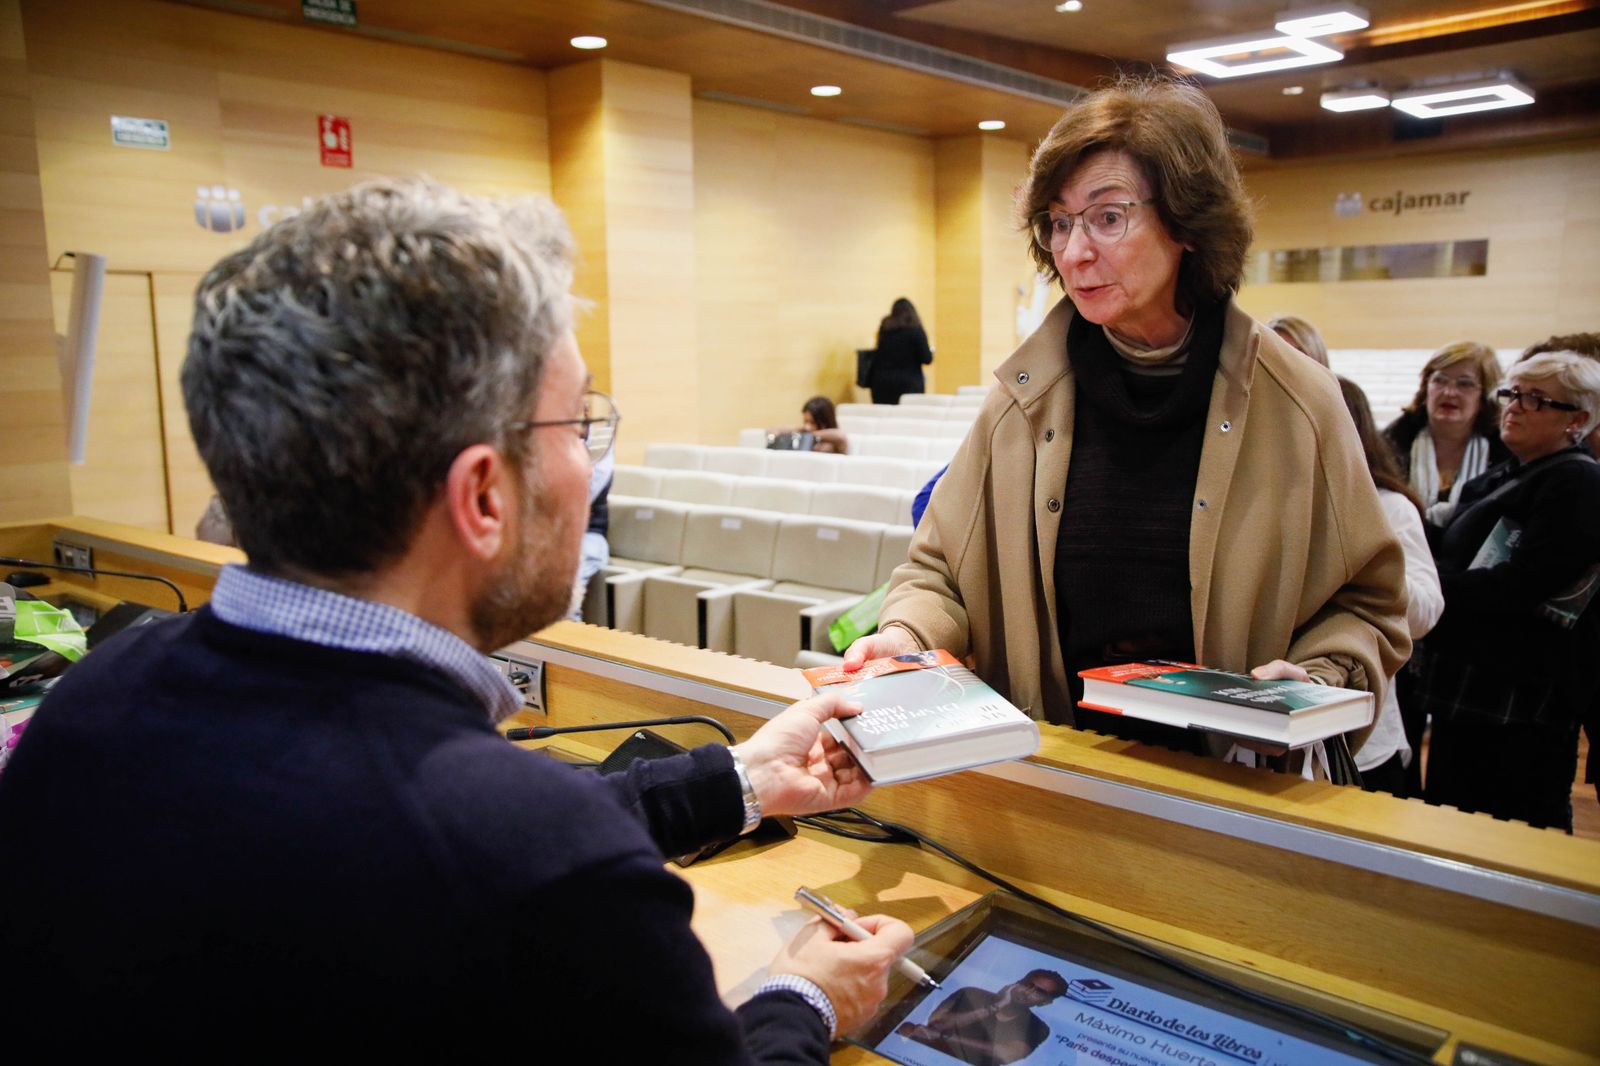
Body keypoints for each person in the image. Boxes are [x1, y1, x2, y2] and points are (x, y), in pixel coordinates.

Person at [0, 179, 913, 1057]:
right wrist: (803, 1000)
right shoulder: (543, 871)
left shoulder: (95, 700)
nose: (587, 469)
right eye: (577, 426)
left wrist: (741, 778)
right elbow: (501, 848)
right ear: (482, 494)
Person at [844, 76, 1408, 772]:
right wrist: (903, 634)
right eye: (1058, 221)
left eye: (1107, 217)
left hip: (1233, 792)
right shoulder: (1021, 401)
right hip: (1057, 771)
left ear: (1187, 226)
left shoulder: (1299, 404)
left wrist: (1320, 678)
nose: (1074, 251)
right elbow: (937, 574)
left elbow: (1369, 605)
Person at [1414, 351, 1600, 831]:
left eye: (1537, 400)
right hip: (1471, 686)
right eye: (1513, 394)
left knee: (1515, 831)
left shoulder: (1575, 479)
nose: (1515, 406)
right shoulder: (1511, 471)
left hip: (1516, 699)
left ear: (1577, 420)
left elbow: (1523, 583)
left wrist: (1427, 588)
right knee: (1455, 824)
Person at [1335, 377, 1443, 796]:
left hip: (1364, 738)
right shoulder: (1261, 503)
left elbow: (1425, 614)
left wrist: (1363, 557)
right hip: (1269, 729)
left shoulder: (1389, 506)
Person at [1383, 341, 1509, 527]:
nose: (1449, 392)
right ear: (1426, 388)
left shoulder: (1504, 454)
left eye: (1464, 384)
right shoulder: (1391, 443)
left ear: (1484, 397)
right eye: (1439, 380)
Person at [896, 969, 1067, 1066]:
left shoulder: (1039, 1027)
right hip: (922, 1056)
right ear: (1018, 982)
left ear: (1045, 1003)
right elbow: (937, 1024)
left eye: (1039, 992)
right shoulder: (971, 993)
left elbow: (1005, 1054)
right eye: (1028, 985)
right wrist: (996, 1006)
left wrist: (945, 1037)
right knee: (906, 1028)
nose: (1028, 992)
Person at [869, 297, 933, 406]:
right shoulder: (916, 330)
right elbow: (926, 358)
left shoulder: (884, 329)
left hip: (882, 382)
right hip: (908, 384)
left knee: (884, 418)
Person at [769, 395, 849, 454]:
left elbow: (840, 436)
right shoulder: (805, 434)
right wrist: (801, 430)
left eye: (813, 422)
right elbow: (771, 432)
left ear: (824, 421)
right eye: (805, 421)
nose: (808, 427)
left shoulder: (834, 443)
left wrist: (808, 435)